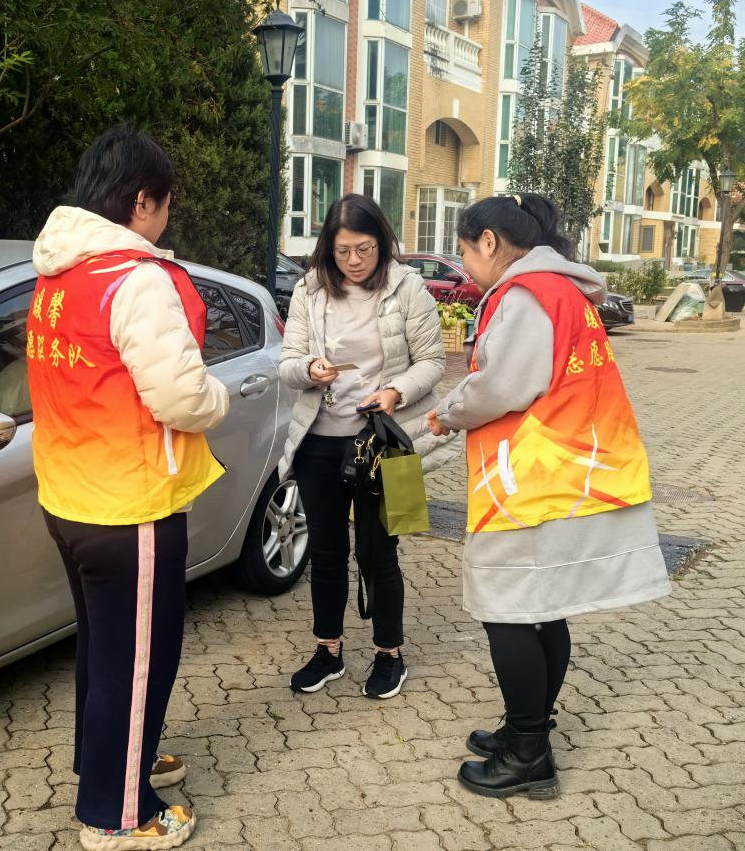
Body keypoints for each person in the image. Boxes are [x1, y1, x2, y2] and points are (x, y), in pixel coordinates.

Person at [426, 193, 672, 799]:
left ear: (489, 242)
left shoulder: (527, 294)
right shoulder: (565, 291)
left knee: (506, 608)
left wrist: (447, 414)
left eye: (465, 251)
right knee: (544, 607)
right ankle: (524, 727)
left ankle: (529, 753)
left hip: (535, 481)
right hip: (575, 472)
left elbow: (500, 386)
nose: (466, 265)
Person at [27, 125, 229, 850]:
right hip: (127, 506)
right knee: (138, 660)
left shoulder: (56, 274)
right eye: (165, 203)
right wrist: (218, 398)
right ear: (143, 200)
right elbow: (181, 397)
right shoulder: (134, 279)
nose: (165, 217)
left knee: (105, 653)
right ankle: (116, 815)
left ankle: (113, 762)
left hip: (69, 496)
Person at [278, 193, 452, 700]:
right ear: (327, 250)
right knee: (326, 551)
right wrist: (309, 369)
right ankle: (327, 650)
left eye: (364, 249)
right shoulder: (310, 289)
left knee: (380, 553)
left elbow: (433, 360)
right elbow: (288, 362)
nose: (354, 261)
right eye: (343, 251)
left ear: (382, 241)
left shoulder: (407, 287)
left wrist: (395, 392)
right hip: (319, 441)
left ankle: (389, 654)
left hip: (384, 442)